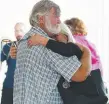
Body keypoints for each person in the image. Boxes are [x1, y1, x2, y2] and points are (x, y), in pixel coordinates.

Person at [12, 0, 91, 104]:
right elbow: (81, 74)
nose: (59, 21)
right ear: (41, 19)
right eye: (56, 16)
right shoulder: (49, 46)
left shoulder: (23, 42)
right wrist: (87, 52)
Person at [0, 22, 26, 104]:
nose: (18, 33)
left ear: (26, 32)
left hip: (24, 88)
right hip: (8, 86)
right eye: (16, 31)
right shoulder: (7, 46)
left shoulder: (31, 48)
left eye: (21, 30)